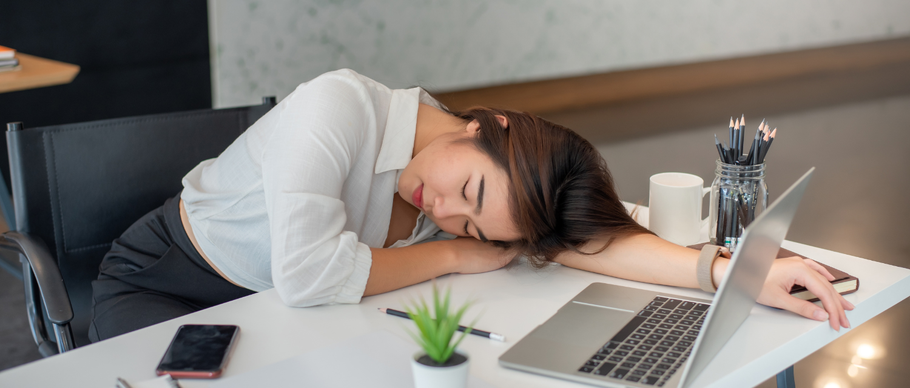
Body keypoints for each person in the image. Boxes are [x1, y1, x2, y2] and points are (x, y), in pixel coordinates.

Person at [88, 69, 852, 342]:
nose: (446, 209)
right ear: (494, 127)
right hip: (170, 276)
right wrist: (456, 253)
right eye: (472, 192)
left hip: (276, 308)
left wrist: (732, 273)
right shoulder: (336, 107)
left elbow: (590, 240)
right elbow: (309, 275)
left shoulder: (487, 202)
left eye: (471, 223)